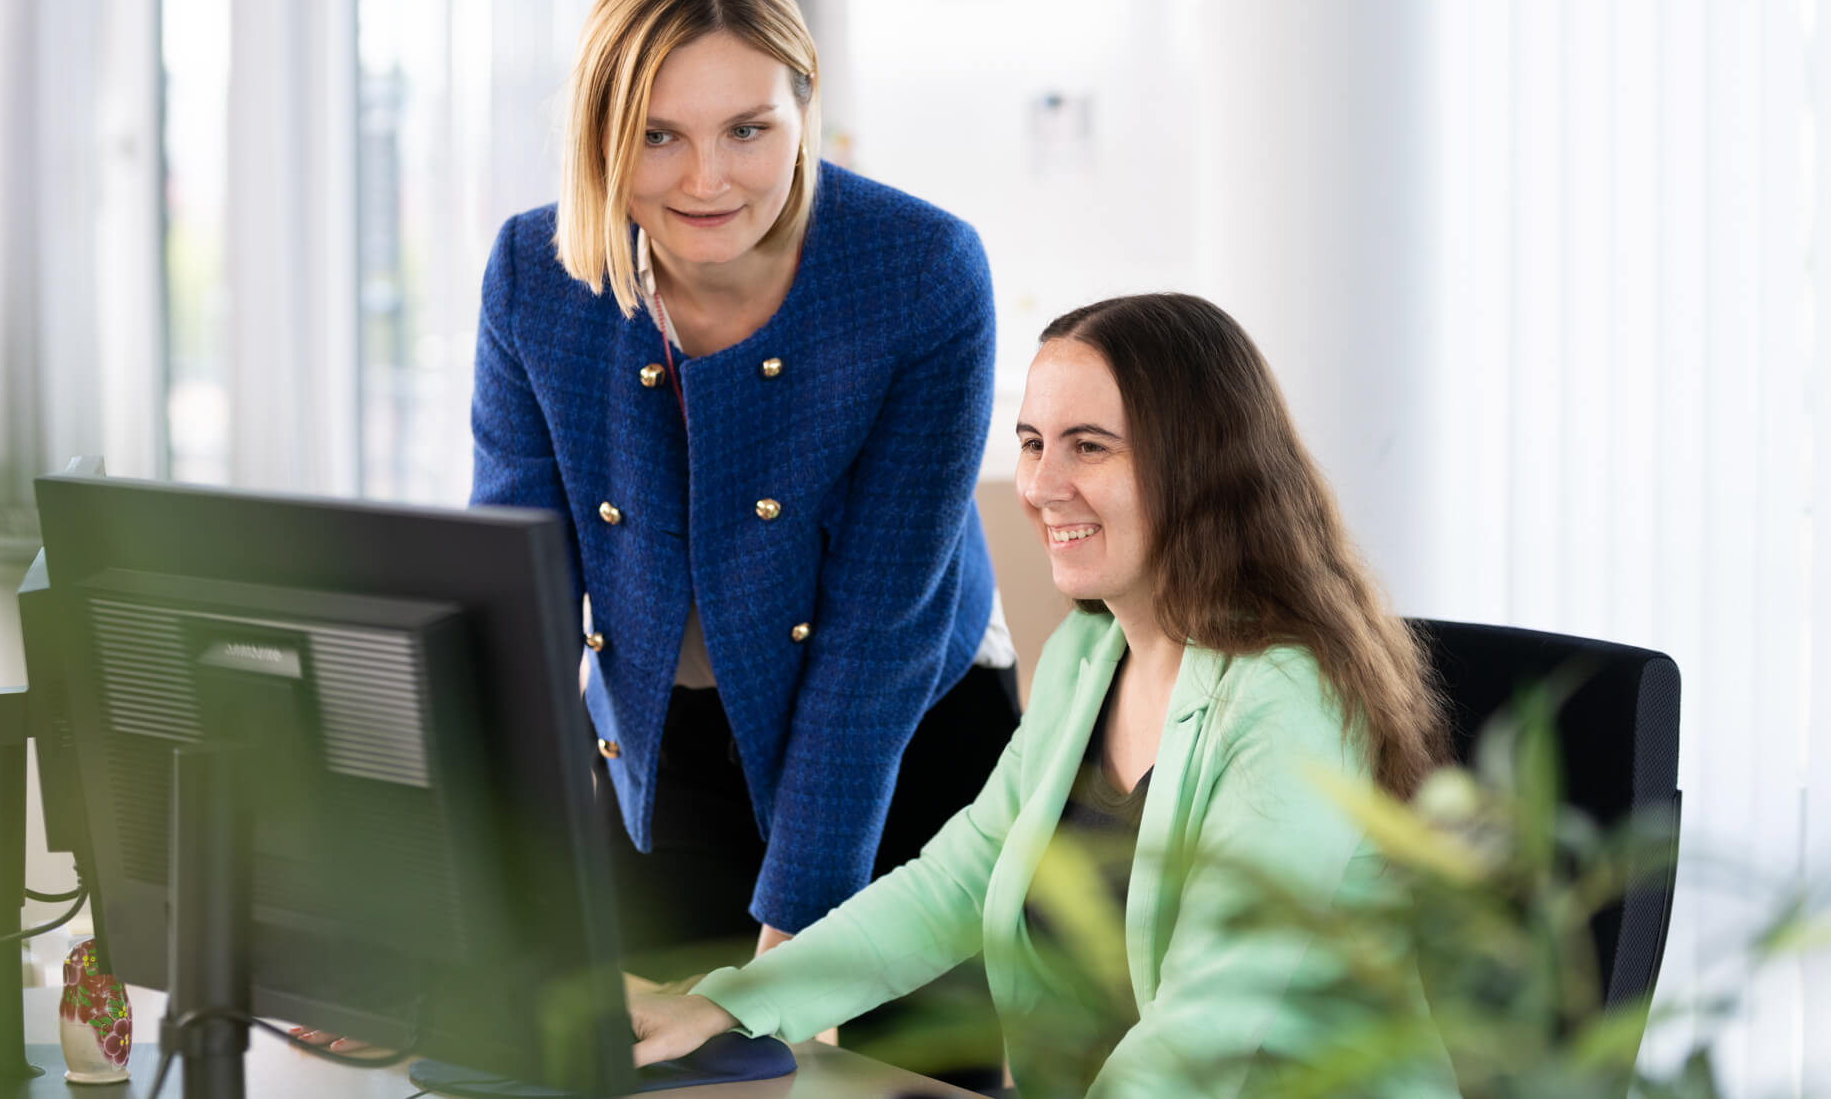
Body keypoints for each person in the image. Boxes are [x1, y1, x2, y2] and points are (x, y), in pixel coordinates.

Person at [625, 293, 1463, 1097]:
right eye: (1032, 442)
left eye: (1088, 446)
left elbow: (1210, 1019)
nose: (1039, 483)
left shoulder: (1290, 697)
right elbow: (956, 882)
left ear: (1202, 467)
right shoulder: (1087, 655)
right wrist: (726, 1002)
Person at [468, 0, 1016, 1069]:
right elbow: (511, 591)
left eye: (747, 129)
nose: (705, 179)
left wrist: (794, 952)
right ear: (600, 134)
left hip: (908, 748)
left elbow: (878, 630)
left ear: (803, 109)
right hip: (666, 753)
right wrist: (445, 912)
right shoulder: (534, 271)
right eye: (658, 134)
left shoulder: (919, 272)